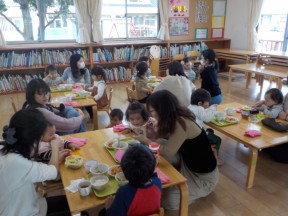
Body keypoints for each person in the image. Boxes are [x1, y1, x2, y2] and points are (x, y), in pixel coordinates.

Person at [135, 90, 218, 210]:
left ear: (162, 110)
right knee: (161, 143)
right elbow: (165, 141)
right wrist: (153, 134)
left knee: (167, 202)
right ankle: (177, 178)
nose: (152, 115)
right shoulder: (175, 116)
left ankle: (195, 190)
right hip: (188, 164)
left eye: (152, 111)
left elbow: (168, 151)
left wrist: (146, 140)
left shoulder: (181, 122)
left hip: (203, 178)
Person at [0, 109, 70, 216]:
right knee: (81, 213)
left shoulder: (6, 147)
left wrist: (56, 158)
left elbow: (38, 170)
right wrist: (54, 148)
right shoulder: (15, 162)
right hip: (24, 212)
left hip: (31, 204)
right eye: (40, 137)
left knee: (68, 202)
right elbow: (53, 172)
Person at [99, 144, 162, 216]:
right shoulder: (157, 183)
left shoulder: (123, 192)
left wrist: (108, 207)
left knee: (101, 213)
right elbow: (154, 176)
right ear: (153, 166)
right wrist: (153, 165)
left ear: (124, 170)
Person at [188, 88, 223, 165]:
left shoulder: (190, 106)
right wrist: (212, 108)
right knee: (218, 140)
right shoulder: (199, 109)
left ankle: (208, 149)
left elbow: (202, 114)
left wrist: (208, 109)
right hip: (198, 136)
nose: (208, 105)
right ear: (200, 103)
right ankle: (214, 159)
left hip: (191, 134)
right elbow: (207, 118)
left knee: (210, 130)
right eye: (207, 104)